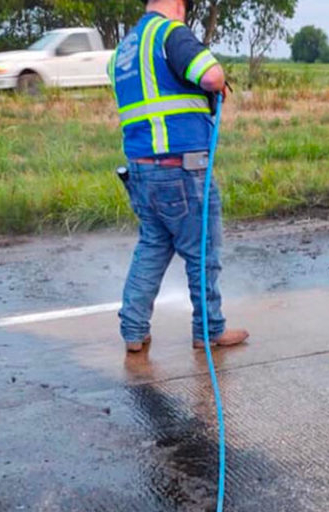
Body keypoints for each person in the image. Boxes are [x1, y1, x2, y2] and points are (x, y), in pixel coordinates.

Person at [108, 0, 249, 353]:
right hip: (181, 169)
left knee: (153, 247)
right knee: (202, 252)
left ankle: (133, 331)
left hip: (141, 169)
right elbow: (212, 75)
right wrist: (215, 86)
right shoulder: (169, 32)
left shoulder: (124, 50)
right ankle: (209, 330)